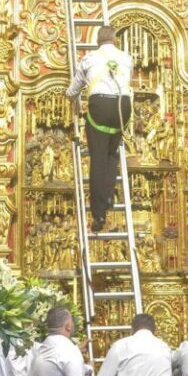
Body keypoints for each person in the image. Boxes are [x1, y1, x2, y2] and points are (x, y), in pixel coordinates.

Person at [66, 24, 133, 232]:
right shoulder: (126, 57)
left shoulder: (89, 58)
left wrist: (71, 97)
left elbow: (73, 90)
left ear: (98, 41)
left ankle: (99, 213)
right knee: (112, 154)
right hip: (123, 106)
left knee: (98, 158)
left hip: (100, 106)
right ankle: (108, 197)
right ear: (115, 40)